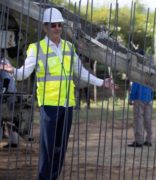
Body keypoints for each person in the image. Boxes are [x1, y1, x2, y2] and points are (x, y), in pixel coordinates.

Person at [0, 7, 118, 180]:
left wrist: (102, 82)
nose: (57, 29)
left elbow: (81, 72)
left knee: (60, 149)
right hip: (49, 106)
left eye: (59, 25)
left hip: (67, 105)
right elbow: (24, 73)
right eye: (53, 25)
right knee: (48, 149)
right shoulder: (36, 48)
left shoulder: (69, 47)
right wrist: (12, 71)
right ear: (45, 28)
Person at [0, 53, 19, 148]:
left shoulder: (2, 62)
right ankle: (14, 141)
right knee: (10, 118)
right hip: (11, 93)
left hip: (7, 94)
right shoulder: (5, 61)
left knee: (4, 117)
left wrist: (3, 93)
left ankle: (13, 141)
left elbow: (6, 80)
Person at [128, 82, 153, 148]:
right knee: (148, 119)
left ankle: (139, 141)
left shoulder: (137, 75)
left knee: (138, 119)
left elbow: (134, 87)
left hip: (139, 98)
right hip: (148, 98)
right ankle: (149, 140)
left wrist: (131, 98)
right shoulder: (149, 74)